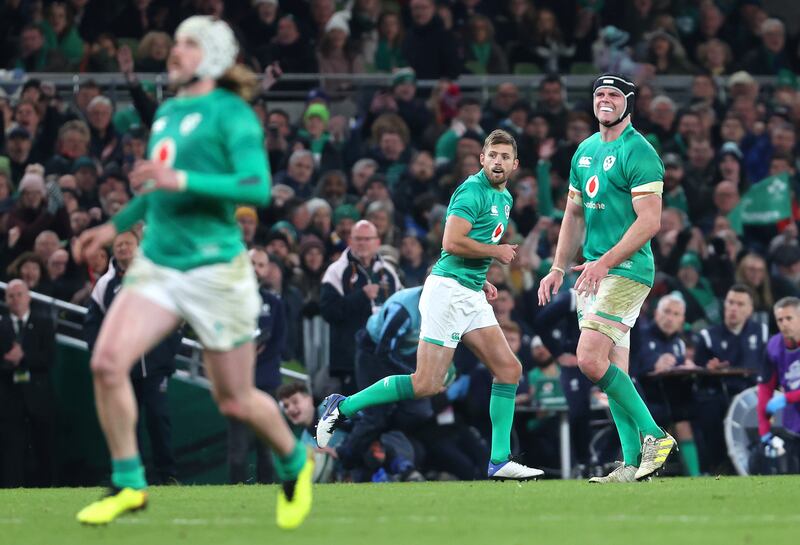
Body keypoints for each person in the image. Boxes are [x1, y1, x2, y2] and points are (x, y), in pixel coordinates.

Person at [73, 16, 312, 529]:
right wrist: (111, 226)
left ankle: (295, 462)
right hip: (159, 262)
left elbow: (256, 187)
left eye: (186, 44)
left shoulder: (233, 114)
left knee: (236, 400)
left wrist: (180, 177)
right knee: (107, 362)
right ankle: (130, 483)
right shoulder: (169, 111)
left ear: (212, 56)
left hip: (214, 271)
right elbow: (155, 188)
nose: (173, 52)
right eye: (175, 41)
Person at [318, 129, 543, 481]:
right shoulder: (472, 190)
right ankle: (342, 406)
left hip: (467, 290)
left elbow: (469, 246)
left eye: (505, 157)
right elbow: (451, 241)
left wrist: (481, 277)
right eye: (492, 155)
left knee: (509, 371)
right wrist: (496, 253)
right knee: (425, 383)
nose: (498, 162)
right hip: (448, 292)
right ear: (482, 159)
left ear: (515, 164)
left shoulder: (505, 198)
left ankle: (500, 460)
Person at [538, 73, 677, 483]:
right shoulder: (583, 151)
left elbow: (650, 222)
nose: (605, 100)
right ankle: (633, 465)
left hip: (627, 270)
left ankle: (655, 436)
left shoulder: (640, 152)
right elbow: (574, 215)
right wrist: (558, 267)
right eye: (599, 93)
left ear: (628, 103)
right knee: (612, 368)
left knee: (588, 359)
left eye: (614, 94)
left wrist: (604, 262)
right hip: (592, 273)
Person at [84, 231, 182, 485]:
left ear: (138, 248)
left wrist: (166, 352)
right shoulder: (105, 285)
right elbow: (93, 323)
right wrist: (103, 355)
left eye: (128, 244)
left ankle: (168, 475)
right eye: (118, 245)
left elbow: (176, 316)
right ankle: (133, 477)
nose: (123, 248)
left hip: (156, 366)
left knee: (158, 419)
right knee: (127, 423)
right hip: (122, 369)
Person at [0, 280, 57, 487]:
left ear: (29, 297)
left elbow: (49, 358)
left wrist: (23, 358)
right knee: (11, 449)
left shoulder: (44, 323)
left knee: (43, 445)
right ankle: (11, 489)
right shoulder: (2, 325)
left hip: (39, 396)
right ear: (5, 300)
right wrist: (11, 362)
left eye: (19, 294)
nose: (15, 299)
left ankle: (46, 487)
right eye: (10, 296)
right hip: (9, 398)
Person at [758, 297, 800, 471]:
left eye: (789, 318)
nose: (784, 324)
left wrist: (786, 398)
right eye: (780, 319)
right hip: (793, 420)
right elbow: (765, 389)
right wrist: (764, 429)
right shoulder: (773, 346)